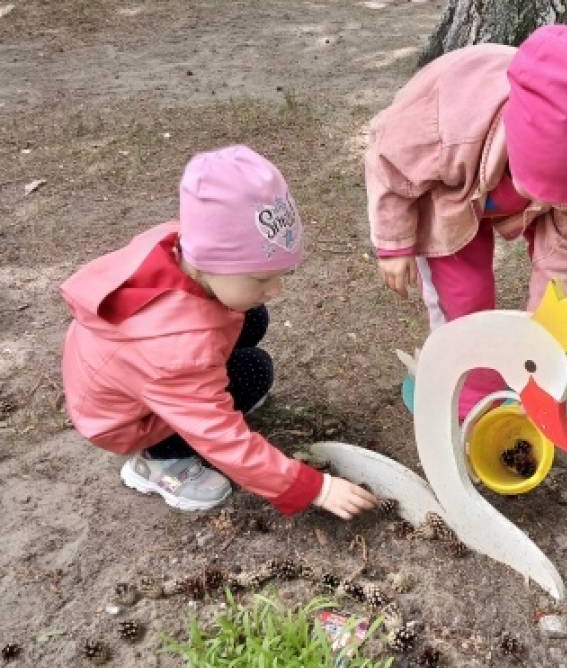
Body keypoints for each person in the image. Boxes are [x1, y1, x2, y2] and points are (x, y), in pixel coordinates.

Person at [60, 145, 377, 519]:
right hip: (129, 420)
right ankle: (159, 462)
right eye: (261, 278)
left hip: (149, 373)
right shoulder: (174, 351)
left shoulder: (179, 245)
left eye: (281, 275)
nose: (277, 290)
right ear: (209, 263)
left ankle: (196, 396)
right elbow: (217, 433)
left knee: (253, 321)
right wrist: (315, 487)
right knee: (252, 373)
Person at [365, 24, 567, 420]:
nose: (544, 199)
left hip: (496, 181)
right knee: (465, 295)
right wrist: (393, 243)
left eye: (562, 190)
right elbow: (390, 167)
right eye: (539, 183)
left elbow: (566, 253)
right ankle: (470, 384)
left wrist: (546, 337)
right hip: (448, 197)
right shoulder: (444, 129)